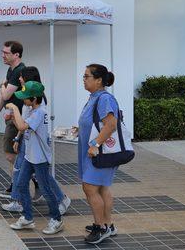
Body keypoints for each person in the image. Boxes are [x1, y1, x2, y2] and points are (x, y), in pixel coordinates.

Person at [2, 66, 71, 215]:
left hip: (35, 147)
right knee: (20, 173)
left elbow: (24, 123)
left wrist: (14, 110)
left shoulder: (38, 107)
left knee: (39, 176)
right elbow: (24, 123)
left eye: (21, 76)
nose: (19, 79)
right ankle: (20, 204)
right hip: (27, 142)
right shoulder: (30, 99)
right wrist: (17, 137)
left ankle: (57, 205)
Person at [7, 81, 63, 234]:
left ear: (34, 98)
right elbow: (23, 127)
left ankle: (56, 219)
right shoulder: (33, 111)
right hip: (29, 156)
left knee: (45, 190)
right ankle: (27, 217)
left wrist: (13, 108)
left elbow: (22, 126)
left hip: (40, 159)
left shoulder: (40, 112)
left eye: (25, 97)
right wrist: (15, 126)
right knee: (21, 185)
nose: (23, 100)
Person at [78, 64, 119, 245]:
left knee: (90, 188)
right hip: (93, 151)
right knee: (102, 188)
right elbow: (96, 123)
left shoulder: (104, 99)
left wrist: (95, 143)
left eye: (87, 76)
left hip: (99, 152)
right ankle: (107, 225)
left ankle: (100, 227)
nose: (84, 79)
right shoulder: (95, 97)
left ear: (99, 80)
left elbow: (111, 124)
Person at [0, 40, 25, 199]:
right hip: (11, 117)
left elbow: (5, 95)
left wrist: (2, 86)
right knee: (12, 154)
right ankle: (17, 185)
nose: (2, 55)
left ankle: (23, 182)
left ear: (16, 55)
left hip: (18, 119)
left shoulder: (19, 72)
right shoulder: (11, 71)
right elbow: (3, 98)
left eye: (6, 53)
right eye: (2, 52)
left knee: (11, 155)